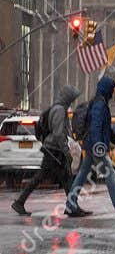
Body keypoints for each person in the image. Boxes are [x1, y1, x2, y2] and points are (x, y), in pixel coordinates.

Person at [65, 75, 115, 220]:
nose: (112, 93)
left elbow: (106, 129)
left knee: (82, 174)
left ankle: (71, 205)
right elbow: (96, 126)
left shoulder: (99, 103)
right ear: (106, 90)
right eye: (112, 89)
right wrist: (98, 145)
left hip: (92, 145)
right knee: (110, 174)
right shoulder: (99, 105)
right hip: (96, 146)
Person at [12, 87, 78, 217]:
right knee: (61, 177)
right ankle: (72, 207)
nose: (73, 101)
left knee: (64, 178)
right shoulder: (59, 110)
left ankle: (72, 206)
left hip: (52, 148)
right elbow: (58, 133)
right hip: (54, 149)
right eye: (72, 98)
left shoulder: (57, 108)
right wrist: (66, 151)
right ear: (67, 98)